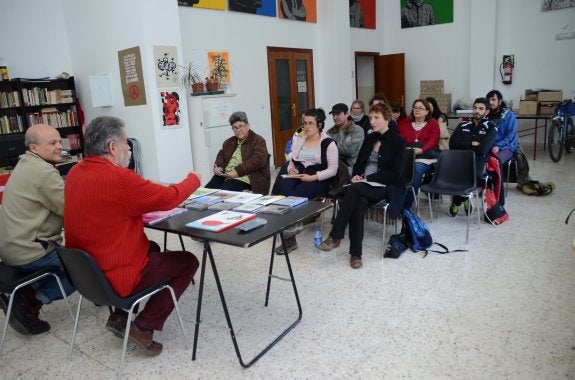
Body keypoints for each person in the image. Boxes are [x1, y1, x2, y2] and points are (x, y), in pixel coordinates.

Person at [64, 116, 202, 356]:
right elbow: (170, 198)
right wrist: (194, 179)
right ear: (112, 147)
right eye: (126, 142)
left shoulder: (75, 172)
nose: (129, 147)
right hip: (115, 274)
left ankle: (120, 316)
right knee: (188, 261)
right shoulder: (118, 178)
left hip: (88, 274)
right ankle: (144, 326)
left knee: (154, 248)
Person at [0, 124, 75, 335]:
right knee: (84, 270)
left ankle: (24, 292)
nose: (60, 147)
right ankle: (31, 301)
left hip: (10, 248)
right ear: (34, 147)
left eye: (60, 141)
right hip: (29, 251)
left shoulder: (25, 164)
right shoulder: (43, 172)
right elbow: (71, 208)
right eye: (52, 143)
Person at [318, 103, 406, 269]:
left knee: (353, 190)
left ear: (387, 119)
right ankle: (355, 255)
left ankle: (336, 236)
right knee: (358, 200)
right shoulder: (370, 138)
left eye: (376, 118)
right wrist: (357, 175)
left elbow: (395, 175)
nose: (372, 121)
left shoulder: (398, 142)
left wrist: (367, 177)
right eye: (371, 117)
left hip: (385, 186)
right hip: (364, 185)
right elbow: (359, 163)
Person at [275, 108, 338, 253]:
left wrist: (313, 177)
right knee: (284, 186)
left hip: (319, 179)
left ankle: (289, 239)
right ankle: (294, 225)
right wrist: (291, 169)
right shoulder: (301, 140)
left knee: (294, 195)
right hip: (300, 175)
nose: (307, 127)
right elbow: (292, 160)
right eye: (305, 123)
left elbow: (333, 170)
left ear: (320, 125)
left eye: (311, 123)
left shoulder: (329, 143)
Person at [448, 98, 497, 217]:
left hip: (479, 159)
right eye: (475, 108)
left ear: (487, 112)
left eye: (481, 109)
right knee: (451, 174)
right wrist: (471, 144)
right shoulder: (462, 125)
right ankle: (465, 198)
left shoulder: (491, 127)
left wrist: (464, 145)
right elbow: (452, 144)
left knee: (474, 175)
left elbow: (483, 149)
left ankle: (457, 200)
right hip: (460, 158)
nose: (477, 111)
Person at [205, 111, 270, 195]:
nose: (238, 130)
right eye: (235, 127)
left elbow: (257, 160)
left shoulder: (258, 140)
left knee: (222, 194)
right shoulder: (229, 142)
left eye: (241, 126)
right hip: (226, 174)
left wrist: (237, 171)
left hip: (247, 177)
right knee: (207, 191)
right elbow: (221, 155)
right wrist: (219, 166)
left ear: (248, 126)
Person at [398, 99, 440, 209]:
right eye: (415, 107)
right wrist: (406, 149)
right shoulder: (405, 123)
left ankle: (406, 204)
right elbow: (401, 139)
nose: (417, 110)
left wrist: (421, 150)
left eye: (420, 108)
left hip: (426, 156)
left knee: (417, 169)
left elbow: (433, 140)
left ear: (427, 111)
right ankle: (396, 199)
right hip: (408, 154)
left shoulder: (433, 123)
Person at [486, 90, 518, 206]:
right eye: (489, 100)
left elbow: (511, 135)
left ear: (499, 101)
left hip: (506, 147)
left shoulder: (509, 115)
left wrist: (498, 146)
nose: (491, 102)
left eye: (493, 100)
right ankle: (485, 186)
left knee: (495, 160)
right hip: (488, 146)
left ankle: (498, 195)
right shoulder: (485, 114)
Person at [326, 102, 365, 172]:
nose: (335, 117)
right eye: (333, 115)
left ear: (347, 114)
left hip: (352, 168)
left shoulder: (357, 130)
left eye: (338, 114)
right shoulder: (330, 132)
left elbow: (350, 150)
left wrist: (332, 145)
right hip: (333, 167)